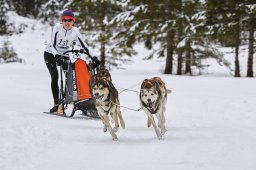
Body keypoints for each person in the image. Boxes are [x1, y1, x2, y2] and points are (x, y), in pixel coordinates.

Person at [44, 9, 100, 113]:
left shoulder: (75, 31)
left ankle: (67, 100)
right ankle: (57, 104)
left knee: (69, 77)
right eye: (64, 20)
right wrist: (56, 56)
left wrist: (94, 58)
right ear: (62, 21)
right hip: (51, 54)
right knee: (55, 76)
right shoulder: (57, 28)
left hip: (64, 55)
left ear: (73, 21)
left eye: (69, 20)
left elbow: (85, 46)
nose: (67, 22)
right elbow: (52, 44)